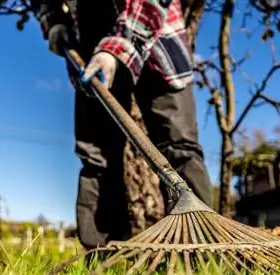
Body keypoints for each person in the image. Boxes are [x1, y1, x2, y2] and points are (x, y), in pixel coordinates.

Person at [30, 0, 213, 249]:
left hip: (157, 35)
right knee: (97, 159)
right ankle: (104, 263)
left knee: (178, 147)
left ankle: (199, 251)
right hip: (88, 45)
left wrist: (118, 48)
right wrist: (52, 21)